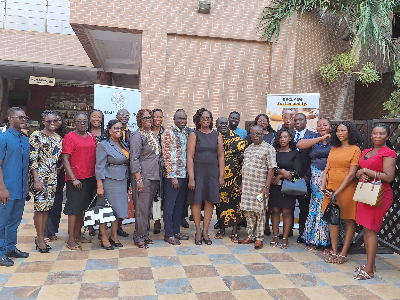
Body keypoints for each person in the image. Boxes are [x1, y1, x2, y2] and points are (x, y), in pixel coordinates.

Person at [353, 123, 396, 280]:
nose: (378, 136)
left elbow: (389, 176)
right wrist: (361, 175)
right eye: (375, 133)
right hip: (366, 193)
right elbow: (360, 171)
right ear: (371, 135)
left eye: (381, 134)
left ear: (387, 136)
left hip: (380, 195)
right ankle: (370, 264)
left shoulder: (389, 153)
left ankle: (369, 270)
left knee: (371, 230)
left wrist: (366, 171)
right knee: (366, 229)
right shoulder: (367, 152)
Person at [321, 121, 362, 264]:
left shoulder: (355, 149)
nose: (340, 133)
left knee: (349, 220)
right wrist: (323, 187)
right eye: (338, 131)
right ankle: (334, 251)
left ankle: (344, 253)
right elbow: (327, 168)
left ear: (350, 132)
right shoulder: (334, 148)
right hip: (330, 188)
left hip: (346, 189)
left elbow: (351, 175)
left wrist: (337, 192)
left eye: (343, 130)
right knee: (333, 220)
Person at [187, 108, 224, 245]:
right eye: (202, 118)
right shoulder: (194, 134)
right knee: (196, 201)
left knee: (210, 201)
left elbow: (221, 156)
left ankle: (205, 231)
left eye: (208, 117)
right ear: (198, 120)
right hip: (198, 172)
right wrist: (191, 178)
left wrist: (221, 175)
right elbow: (189, 157)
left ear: (211, 119)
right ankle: (197, 230)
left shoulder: (217, 135)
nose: (205, 120)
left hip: (212, 173)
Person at [61, 112, 97, 250]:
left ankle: (78, 235)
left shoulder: (91, 136)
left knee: (82, 208)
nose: (82, 123)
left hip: (90, 177)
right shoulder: (70, 137)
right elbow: (65, 159)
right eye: (79, 121)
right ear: (74, 123)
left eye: (85, 121)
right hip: (75, 179)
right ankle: (70, 240)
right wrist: (74, 179)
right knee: (73, 209)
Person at [297, 117, 333, 251]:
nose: (322, 127)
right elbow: (300, 145)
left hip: (331, 176)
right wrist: (320, 138)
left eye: (325, 125)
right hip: (316, 177)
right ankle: (313, 238)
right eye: (319, 125)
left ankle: (328, 242)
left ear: (330, 126)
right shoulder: (312, 137)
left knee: (328, 205)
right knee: (316, 206)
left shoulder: (335, 140)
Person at [239, 125, 277, 250]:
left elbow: (271, 169)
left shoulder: (269, 149)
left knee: (260, 212)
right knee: (248, 211)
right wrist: (242, 185)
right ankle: (250, 236)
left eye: (258, 134)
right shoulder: (248, 148)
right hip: (247, 187)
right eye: (253, 134)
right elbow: (244, 167)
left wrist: (266, 186)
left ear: (263, 135)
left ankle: (259, 238)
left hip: (260, 188)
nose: (255, 136)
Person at [0, 107, 30, 266]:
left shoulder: (24, 139)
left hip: (20, 189)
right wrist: (2, 188)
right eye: (20, 117)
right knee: (2, 222)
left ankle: (11, 248)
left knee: (14, 221)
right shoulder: (3, 138)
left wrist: (27, 186)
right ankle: (0, 252)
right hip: (6, 188)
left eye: (25, 117)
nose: (24, 119)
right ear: (10, 119)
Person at [29, 110, 63, 253]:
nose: (52, 123)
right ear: (43, 122)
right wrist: (36, 180)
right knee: (40, 208)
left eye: (55, 121)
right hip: (40, 178)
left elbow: (59, 158)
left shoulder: (58, 138)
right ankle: (40, 238)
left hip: (52, 178)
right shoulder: (36, 136)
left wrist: (59, 169)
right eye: (49, 121)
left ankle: (42, 236)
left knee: (47, 208)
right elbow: (33, 160)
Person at [96, 119, 130, 250]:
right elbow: (99, 166)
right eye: (116, 128)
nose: (119, 131)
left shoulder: (123, 143)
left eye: (121, 128)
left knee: (118, 210)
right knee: (106, 210)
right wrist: (100, 185)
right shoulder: (103, 145)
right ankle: (104, 237)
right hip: (109, 181)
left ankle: (114, 236)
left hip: (122, 181)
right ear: (109, 130)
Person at [130, 109, 161, 248]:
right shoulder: (137, 136)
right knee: (142, 208)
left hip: (154, 176)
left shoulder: (152, 134)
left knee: (147, 208)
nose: (149, 120)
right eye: (145, 118)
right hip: (143, 177)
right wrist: (138, 179)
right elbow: (134, 158)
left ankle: (145, 234)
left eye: (150, 117)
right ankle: (139, 237)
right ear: (139, 120)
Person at [214, 117, 247, 242]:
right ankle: (221, 229)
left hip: (235, 176)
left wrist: (242, 156)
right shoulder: (214, 138)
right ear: (216, 125)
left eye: (225, 123)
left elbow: (246, 152)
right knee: (220, 203)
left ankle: (234, 231)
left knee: (235, 203)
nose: (223, 125)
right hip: (218, 175)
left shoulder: (236, 138)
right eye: (220, 123)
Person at [269, 128, 303, 249]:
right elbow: (270, 166)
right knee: (276, 211)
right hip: (275, 187)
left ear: (290, 139)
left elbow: (296, 171)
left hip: (289, 186)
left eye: (285, 137)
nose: (283, 139)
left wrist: (280, 175)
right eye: (281, 137)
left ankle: (285, 238)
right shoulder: (273, 152)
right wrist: (280, 172)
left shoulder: (295, 153)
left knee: (287, 212)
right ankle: (275, 236)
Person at [161, 109, 189, 245]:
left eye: (184, 119)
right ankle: (168, 233)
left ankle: (176, 231)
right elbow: (166, 156)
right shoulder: (168, 133)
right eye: (180, 118)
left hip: (184, 174)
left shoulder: (184, 133)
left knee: (179, 205)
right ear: (174, 119)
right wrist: (173, 176)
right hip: (173, 176)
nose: (182, 121)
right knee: (170, 205)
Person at [44, 111, 67, 241]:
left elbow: (67, 155)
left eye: (58, 120)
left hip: (59, 173)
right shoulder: (42, 135)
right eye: (52, 120)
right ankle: (45, 231)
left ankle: (53, 230)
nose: (55, 122)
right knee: (46, 202)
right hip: (45, 174)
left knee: (57, 202)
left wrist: (61, 167)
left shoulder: (64, 136)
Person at [292, 113, 315, 243]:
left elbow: (314, 157)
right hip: (290, 177)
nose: (297, 122)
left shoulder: (312, 135)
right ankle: (287, 232)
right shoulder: (289, 135)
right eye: (295, 120)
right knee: (288, 207)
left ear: (305, 122)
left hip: (305, 177)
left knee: (304, 207)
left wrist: (307, 175)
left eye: (300, 119)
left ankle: (302, 234)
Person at [115, 108, 133, 238]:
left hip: (126, 173)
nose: (124, 117)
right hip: (113, 174)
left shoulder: (131, 134)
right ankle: (101, 229)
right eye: (121, 114)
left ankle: (118, 226)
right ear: (116, 116)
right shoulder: (111, 131)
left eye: (127, 115)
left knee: (122, 201)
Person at [152, 108, 165, 234]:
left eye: (160, 117)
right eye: (156, 117)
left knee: (162, 195)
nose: (158, 119)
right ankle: (155, 220)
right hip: (150, 169)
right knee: (154, 195)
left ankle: (160, 220)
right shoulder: (147, 133)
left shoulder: (166, 133)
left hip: (164, 169)